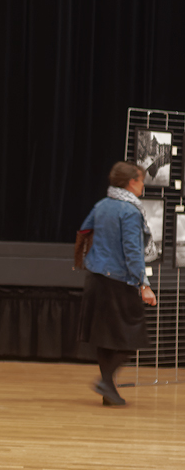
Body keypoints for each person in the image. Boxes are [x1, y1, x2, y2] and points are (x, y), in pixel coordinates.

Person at [77, 161, 157, 406]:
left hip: (96, 279)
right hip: (118, 282)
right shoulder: (130, 211)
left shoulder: (102, 205)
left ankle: (108, 391)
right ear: (131, 182)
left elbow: (84, 230)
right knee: (131, 337)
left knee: (106, 338)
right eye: (141, 180)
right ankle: (106, 383)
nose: (143, 185)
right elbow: (132, 251)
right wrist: (144, 284)